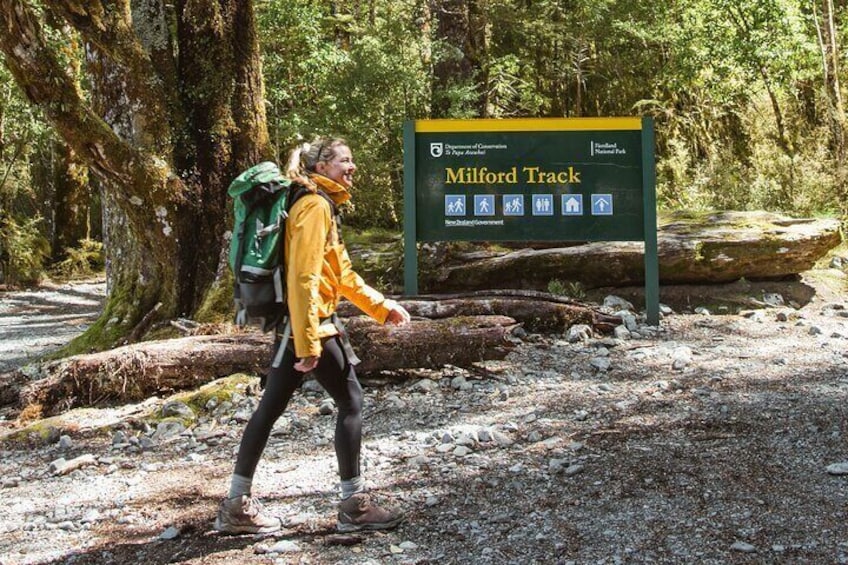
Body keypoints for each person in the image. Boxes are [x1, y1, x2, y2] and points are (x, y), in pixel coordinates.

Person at [215, 138, 411, 535]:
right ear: (321, 165)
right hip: (308, 325)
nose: (352, 167)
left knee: (274, 408)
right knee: (348, 401)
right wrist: (307, 344)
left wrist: (381, 306)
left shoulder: (319, 203)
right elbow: (302, 278)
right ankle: (353, 507)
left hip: (307, 324)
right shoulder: (313, 205)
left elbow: (339, 274)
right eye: (344, 160)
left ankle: (237, 505)